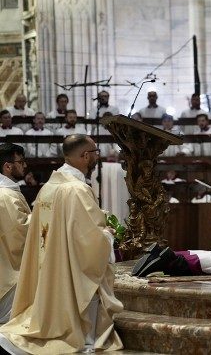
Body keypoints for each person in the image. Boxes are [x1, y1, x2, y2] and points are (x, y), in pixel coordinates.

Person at [0, 134, 123, 353]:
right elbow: (89, 240)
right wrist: (107, 234)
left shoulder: (49, 186)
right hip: (71, 266)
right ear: (85, 156)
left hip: (51, 262)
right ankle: (85, 336)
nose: (97, 157)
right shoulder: (77, 189)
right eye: (95, 152)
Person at [0, 144, 31, 324]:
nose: (25, 166)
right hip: (10, 278)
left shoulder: (8, 193)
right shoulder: (6, 197)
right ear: (8, 166)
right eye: (21, 161)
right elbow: (18, 233)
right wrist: (44, 215)